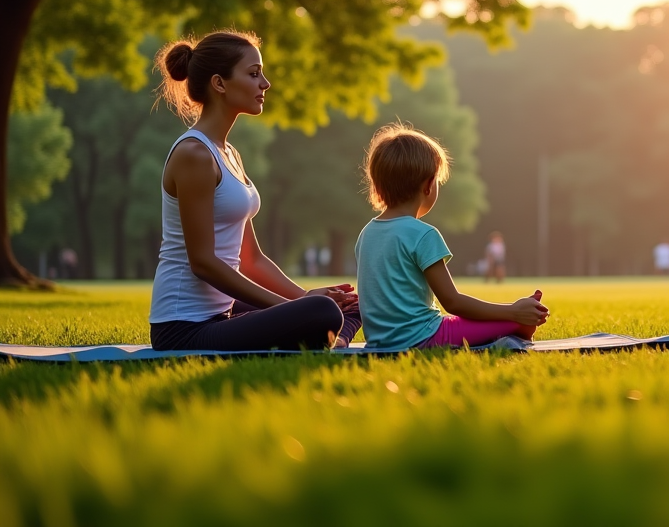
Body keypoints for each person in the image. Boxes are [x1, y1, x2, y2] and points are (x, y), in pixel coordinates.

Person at [148, 30, 361, 351]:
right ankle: (332, 335)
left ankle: (337, 336)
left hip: (224, 313)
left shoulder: (229, 153)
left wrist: (302, 297)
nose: (265, 83)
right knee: (322, 312)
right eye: (253, 74)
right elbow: (203, 262)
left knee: (349, 303)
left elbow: (252, 259)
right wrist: (285, 308)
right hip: (184, 328)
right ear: (219, 83)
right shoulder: (194, 155)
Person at [355, 124, 550, 349]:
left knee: (512, 320)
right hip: (425, 337)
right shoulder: (423, 234)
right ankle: (497, 343)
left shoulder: (367, 233)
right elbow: (453, 302)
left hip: (381, 341)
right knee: (520, 325)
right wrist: (512, 311)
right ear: (429, 186)